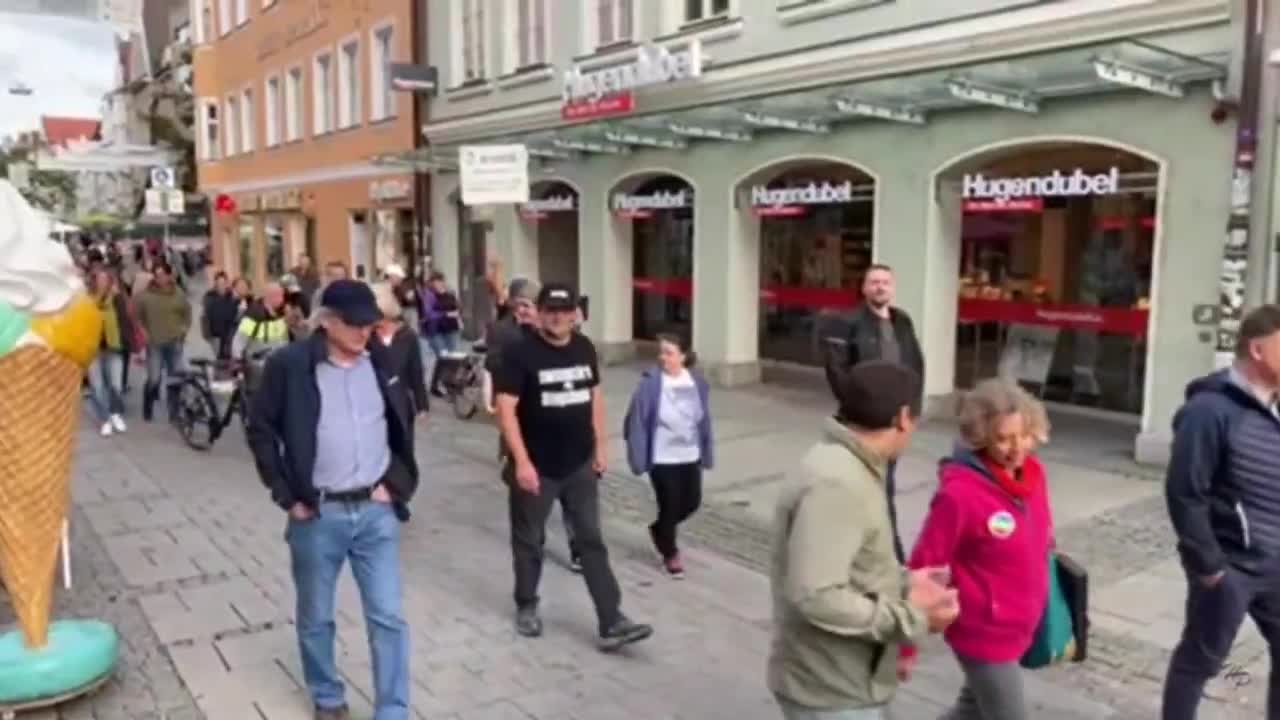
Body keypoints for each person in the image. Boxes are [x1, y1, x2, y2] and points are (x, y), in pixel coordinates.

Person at [246, 279, 417, 720]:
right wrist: (286, 495)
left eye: (370, 324)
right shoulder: (291, 365)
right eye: (355, 325)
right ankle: (327, 696)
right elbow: (260, 428)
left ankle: (393, 711)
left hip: (376, 511)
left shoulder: (382, 360)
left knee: (389, 618)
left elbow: (403, 419)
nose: (365, 333)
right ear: (327, 322)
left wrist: (395, 482)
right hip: (318, 513)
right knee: (317, 616)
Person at [768, 360, 958, 720]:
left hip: (847, 682)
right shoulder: (838, 482)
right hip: (832, 690)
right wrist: (912, 618)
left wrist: (903, 581)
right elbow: (816, 594)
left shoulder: (851, 465)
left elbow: (851, 563)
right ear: (903, 417)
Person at [493, 282, 653, 650]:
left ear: (575, 314)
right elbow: (506, 410)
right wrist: (521, 462)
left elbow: (594, 396)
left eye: (564, 311)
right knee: (529, 540)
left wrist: (600, 445)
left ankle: (612, 619)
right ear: (539, 312)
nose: (557, 317)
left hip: (579, 464)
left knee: (591, 540)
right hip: (537, 467)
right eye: (550, 310)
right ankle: (527, 605)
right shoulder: (519, 352)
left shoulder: (584, 348)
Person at [905, 379, 1054, 720]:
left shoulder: (1034, 475)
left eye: (1024, 436)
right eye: (1003, 439)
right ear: (981, 437)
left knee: (972, 709)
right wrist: (907, 641)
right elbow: (923, 567)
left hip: (1021, 621)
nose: (1017, 448)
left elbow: (1041, 535)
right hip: (984, 631)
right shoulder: (960, 495)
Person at [1162, 304, 1280, 720]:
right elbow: (1184, 493)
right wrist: (1211, 567)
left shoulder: (1275, 406)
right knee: (1200, 660)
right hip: (1230, 566)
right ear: (1259, 349)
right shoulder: (1209, 411)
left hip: (1275, 564)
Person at [823, 264, 925, 564]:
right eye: (874, 282)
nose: (880, 287)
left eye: (885, 282)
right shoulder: (849, 323)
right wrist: (859, 410)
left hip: (896, 421)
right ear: (864, 288)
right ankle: (889, 557)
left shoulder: (902, 321)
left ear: (892, 288)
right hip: (865, 423)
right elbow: (837, 371)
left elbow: (916, 364)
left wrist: (913, 411)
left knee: (881, 487)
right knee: (875, 489)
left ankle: (875, 553)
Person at [486, 277, 581, 570]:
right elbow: (492, 368)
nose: (526, 311)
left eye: (531, 305)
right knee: (531, 494)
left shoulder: (554, 331)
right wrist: (491, 400)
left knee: (571, 495)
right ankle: (533, 540)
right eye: (521, 305)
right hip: (524, 426)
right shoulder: (504, 333)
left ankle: (578, 547)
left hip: (562, 430)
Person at [623, 333, 714, 579]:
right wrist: (637, 454)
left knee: (691, 502)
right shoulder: (650, 384)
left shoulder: (697, 383)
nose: (663, 357)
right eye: (661, 352)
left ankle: (659, 530)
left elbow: (703, 420)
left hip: (689, 454)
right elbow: (636, 421)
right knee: (670, 504)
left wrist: (706, 449)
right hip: (662, 457)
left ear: (683, 356)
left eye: (669, 353)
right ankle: (670, 553)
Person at [371, 282, 429, 454]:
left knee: (403, 452)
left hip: (400, 404)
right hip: (375, 405)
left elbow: (416, 372)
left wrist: (422, 405)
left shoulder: (407, 336)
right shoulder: (367, 336)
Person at [133, 262, 191, 422]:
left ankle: (174, 412)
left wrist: (184, 329)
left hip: (175, 341)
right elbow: (137, 316)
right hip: (154, 343)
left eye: (162, 275)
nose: (159, 278)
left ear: (169, 275)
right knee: (154, 378)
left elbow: (187, 312)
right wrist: (143, 332)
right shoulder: (145, 296)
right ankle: (148, 404)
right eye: (156, 275)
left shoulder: (178, 293)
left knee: (175, 378)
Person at [86, 267, 138, 437]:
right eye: (99, 279)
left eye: (105, 279)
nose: (102, 282)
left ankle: (115, 415)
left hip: (114, 346)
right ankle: (104, 419)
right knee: (97, 386)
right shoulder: (87, 300)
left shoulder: (116, 299)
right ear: (94, 282)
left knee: (116, 385)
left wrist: (130, 344)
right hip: (93, 349)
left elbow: (126, 320)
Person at [419, 271, 462, 396]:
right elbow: (428, 314)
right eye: (436, 281)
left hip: (451, 328)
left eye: (440, 280)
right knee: (443, 356)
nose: (439, 284)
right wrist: (445, 314)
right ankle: (441, 385)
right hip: (435, 330)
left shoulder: (450, 292)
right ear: (431, 283)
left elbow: (457, 306)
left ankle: (444, 385)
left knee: (452, 357)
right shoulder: (429, 295)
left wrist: (458, 315)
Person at [202, 271, 240, 359]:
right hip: (215, 335)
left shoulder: (232, 296)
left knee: (230, 358)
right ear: (215, 283)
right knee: (219, 359)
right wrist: (207, 335)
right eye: (219, 283)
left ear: (227, 283)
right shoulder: (209, 296)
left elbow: (237, 313)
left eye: (223, 282)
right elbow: (205, 316)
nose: (221, 285)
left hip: (229, 335)